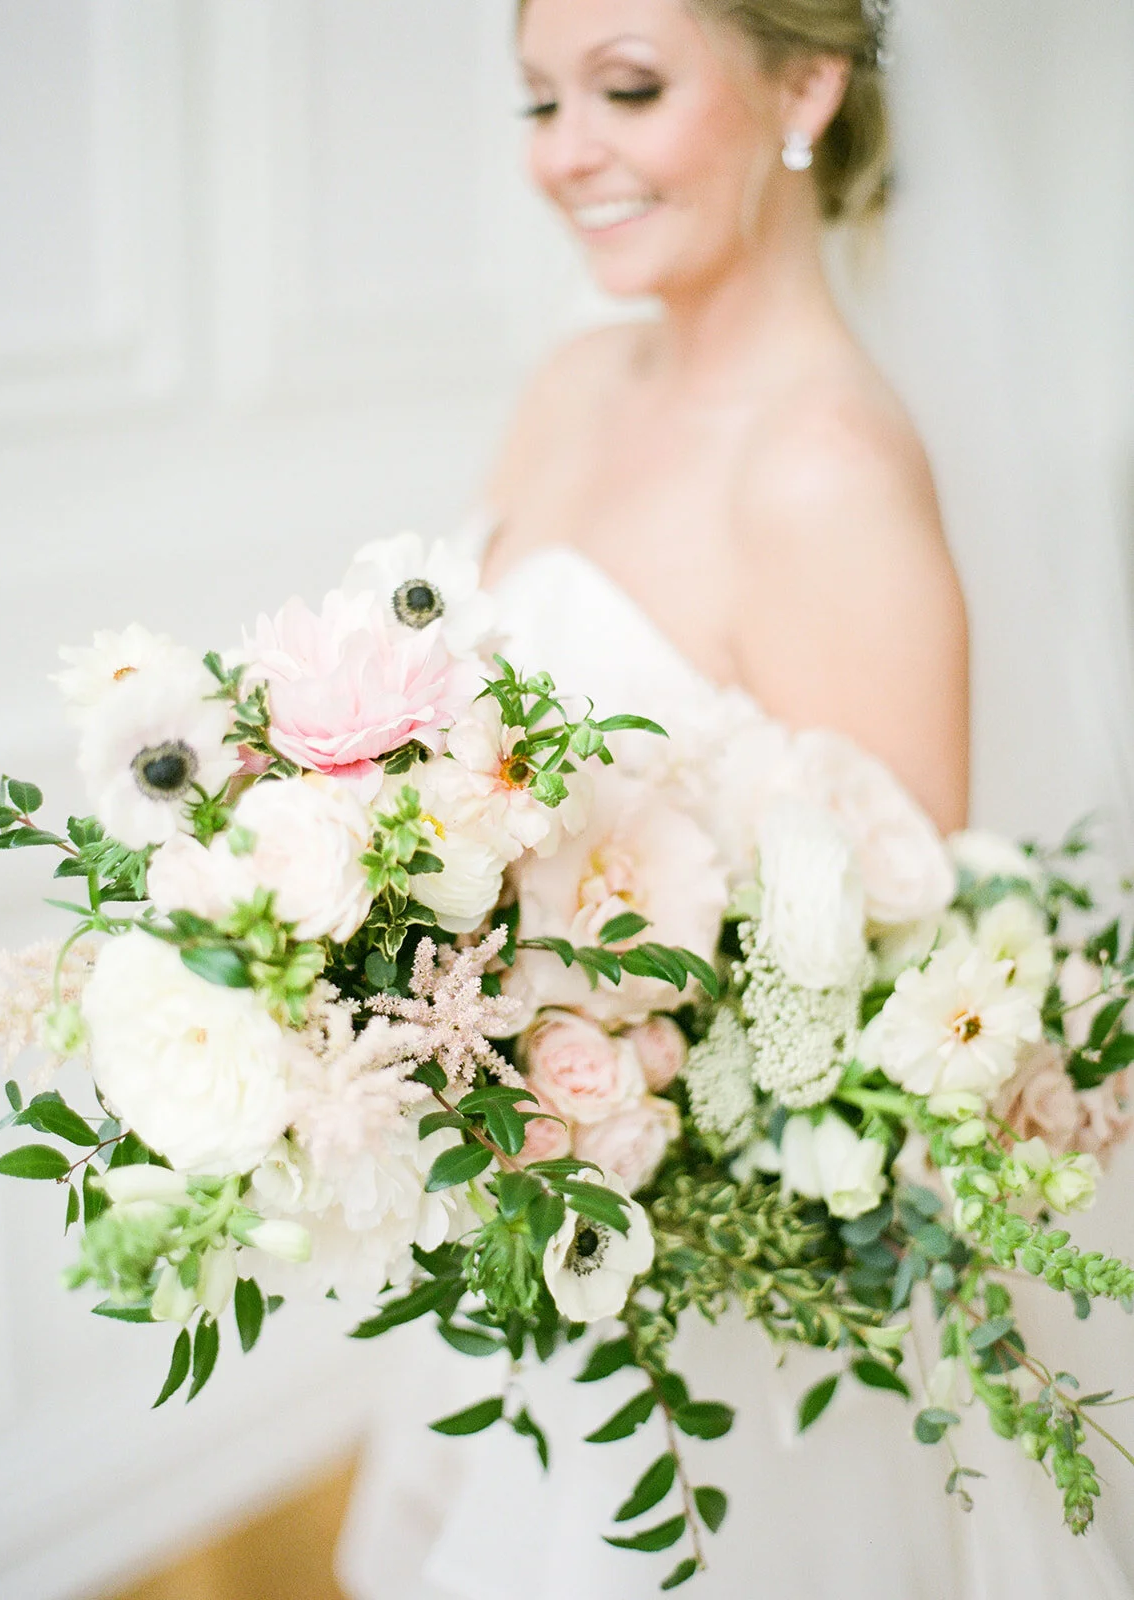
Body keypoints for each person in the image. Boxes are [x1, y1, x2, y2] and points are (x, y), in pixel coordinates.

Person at [337, 2, 1133, 1595]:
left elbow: (889, 1019)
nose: (567, 154)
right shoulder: (572, 381)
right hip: (534, 1229)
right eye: (541, 101)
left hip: (710, 1334)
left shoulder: (825, 470)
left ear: (807, 86)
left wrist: (592, 1062)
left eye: (628, 90)